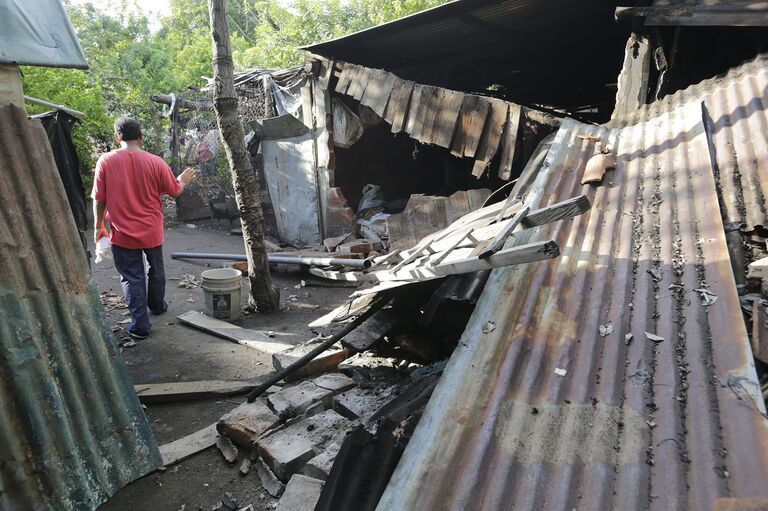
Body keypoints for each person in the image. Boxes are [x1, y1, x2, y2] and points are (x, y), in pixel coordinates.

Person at [92, 116, 198, 339]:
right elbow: (174, 190)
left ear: (117, 137)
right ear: (140, 137)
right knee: (156, 269)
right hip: (151, 229)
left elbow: (99, 198)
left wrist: (98, 225)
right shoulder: (156, 162)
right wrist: (182, 180)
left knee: (132, 277)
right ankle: (157, 305)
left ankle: (140, 326)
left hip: (122, 232)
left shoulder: (105, 161)